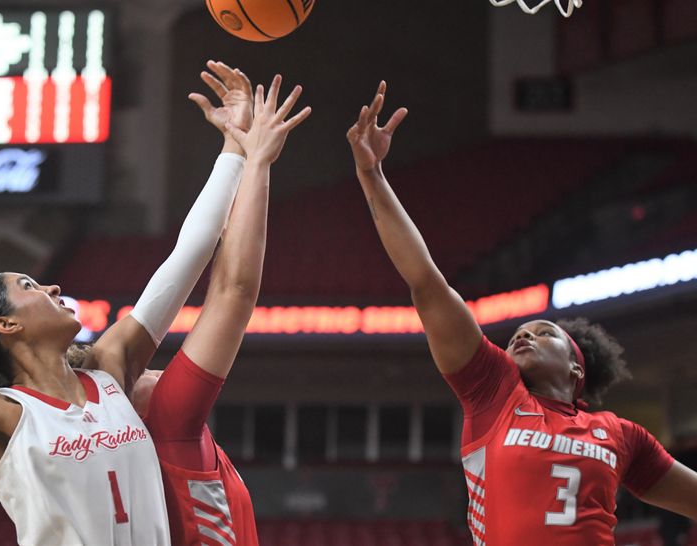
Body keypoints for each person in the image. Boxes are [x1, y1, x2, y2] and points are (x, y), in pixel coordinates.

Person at [0, 60, 254, 546]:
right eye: (30, 287)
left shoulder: (109, 369)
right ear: (5, 324)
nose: (53, 290)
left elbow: (188, 254)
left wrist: (235, 146)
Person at [345, 81, 697, 545]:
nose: (522, 337)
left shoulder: (621, 434)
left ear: (576, 367)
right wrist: (372, 175)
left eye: (543, 332)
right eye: (519, 334)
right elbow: (427, 283)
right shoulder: (494, 392)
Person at [131, 74, 311, 546]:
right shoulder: (168, 423)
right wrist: (258, 159)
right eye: (134, 372)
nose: (151, 368)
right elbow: (232, 290)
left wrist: (237, 145)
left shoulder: (159, 435)